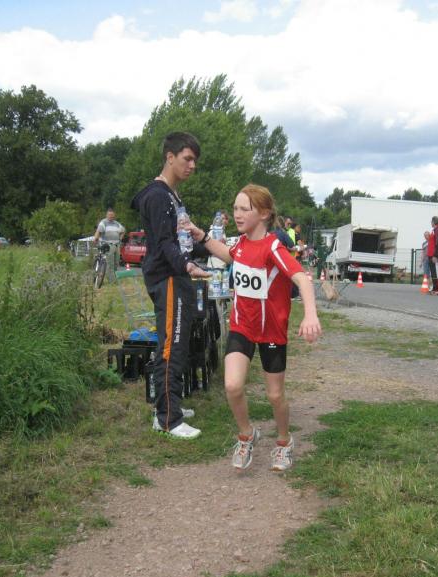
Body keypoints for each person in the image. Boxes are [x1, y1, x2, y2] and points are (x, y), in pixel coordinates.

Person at [187, 184, 322, 471]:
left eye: (244, 209)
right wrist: (202, 236)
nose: (237, 214)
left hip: (271, 331)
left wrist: (310, 315)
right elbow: (229, 255)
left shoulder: (273, 247)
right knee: (232, 385)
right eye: (235, 208)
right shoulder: (240, 243)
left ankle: (284, 441)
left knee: (275, 395)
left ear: (263, 214)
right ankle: (247, 435)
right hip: (242, 326)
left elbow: (302, 279)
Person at [130, 131, 209, 440]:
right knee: (170, 346)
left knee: (177, 344)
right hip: (168, 278)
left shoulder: (173, 196)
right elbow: (165, 244)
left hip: (177, 277)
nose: (192, 166)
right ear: (170, 157)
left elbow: (182, 240)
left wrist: (211, 248)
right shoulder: (158, 196)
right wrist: (187, 265)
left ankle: (169, 404)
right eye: (187, 159)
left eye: (195, 161)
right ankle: (167, 419)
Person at [93, 208, 126, 283]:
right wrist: (95, 238)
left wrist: (120, 238)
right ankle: (112, 281)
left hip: (117, 245)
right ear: (107, 215)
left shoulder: (117, 223)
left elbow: (123, 230)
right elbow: (98, 231)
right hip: (108, 245)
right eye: (109, 215)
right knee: (110, 263)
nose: (111, 216)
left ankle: (115, 278)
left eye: (112, 215)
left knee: (116, 263)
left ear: (114, 215)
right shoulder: (103, 222)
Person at [427, 216, 438, 294]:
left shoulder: (437, 230)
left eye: (431, 222)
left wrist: (435, 255)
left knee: (436, 272)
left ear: (434, 222)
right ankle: (435, 288)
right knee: (434, 272)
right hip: (432, 254)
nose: (431, 223)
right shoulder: (435, 230)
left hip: (434, 255)